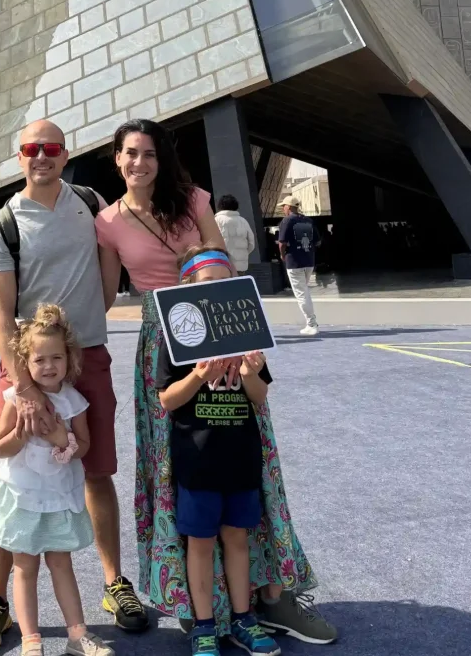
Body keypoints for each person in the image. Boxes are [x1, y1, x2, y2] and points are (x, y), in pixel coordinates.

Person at [96, 120, 335, 644]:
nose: (140, 163)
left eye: (150, 154)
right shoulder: (107, 221)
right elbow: (107, 292)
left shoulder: (194, 199)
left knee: (247, 455)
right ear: (116, 158)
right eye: (131, 154)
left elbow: (217, 262)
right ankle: (195, 602)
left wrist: (222, 334)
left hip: (219, 326)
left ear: (162, 159)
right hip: (161, 342)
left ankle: (269, 595)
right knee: (175, 470)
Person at [0, 119, 147, 656]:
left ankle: (115, 583)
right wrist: (22, 384)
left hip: (87, 354)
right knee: (12, 476)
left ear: (65, 154)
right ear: (18, 156)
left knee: (95, 470)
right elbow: (1, 314)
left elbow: (115, 266)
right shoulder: (3, 224)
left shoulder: (90, 203)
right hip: (28, 363)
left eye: (50, 148)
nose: (40, 156)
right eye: (30, 149)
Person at [158, 247, 277, 656]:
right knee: (201, 543)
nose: (217, 290)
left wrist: (247, 373)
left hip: (240, 456)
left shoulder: (248, 335)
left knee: (238, 538)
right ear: (188, 287)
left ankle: (244, 619)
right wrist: (198, 374)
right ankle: (204, 625)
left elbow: (259, 398)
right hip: (197, 461)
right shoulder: (177, 336)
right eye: (207, 282)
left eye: (224, 280)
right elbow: (168, 400)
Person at [0, 303, 115, 656]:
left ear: (69, 360)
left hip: (57, 495)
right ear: (24, 362)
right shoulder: (16, 400)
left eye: (56, 358)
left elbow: (84, 447)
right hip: (23, 495)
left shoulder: (75, 402)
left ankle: (78, 635)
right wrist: (22, 436)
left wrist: (63, 441)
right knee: (24, 567)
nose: (48, 366)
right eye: (39, 360)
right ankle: (31, 640)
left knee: (61, 563)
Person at [277, 199, 320, 337]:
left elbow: (282, 242)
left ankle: (312, 323)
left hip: (294, 262)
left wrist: (282, 255)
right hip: (309, 261)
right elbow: (318, 241)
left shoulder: (286, 221)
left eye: (283, 206)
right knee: (305, 292)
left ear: (289, 207)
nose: (283, 208)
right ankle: (311, 322)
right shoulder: (308, 221)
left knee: (301, 294)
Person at [213, 195, 256, 274]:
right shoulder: (243, 221)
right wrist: (243, 254)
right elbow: (251, 244)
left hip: (223, 264)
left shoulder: (216, 220)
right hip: (241, 266)